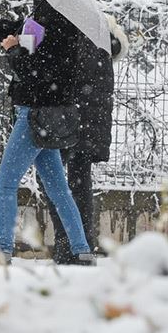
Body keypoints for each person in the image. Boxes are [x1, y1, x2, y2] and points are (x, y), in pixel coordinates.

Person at [0, 0, 96, 264]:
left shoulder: (61, 32)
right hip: (42, 119)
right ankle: (82, 250)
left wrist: (14, 51)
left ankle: (2, 251)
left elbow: (38, 73)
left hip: (34, 116)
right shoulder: (51, 23)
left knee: (5, 182)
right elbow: (8, 28)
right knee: (59, 189)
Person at [44, 14, 129, 264]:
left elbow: (61, 78)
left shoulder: (70, 30)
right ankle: (83, 245)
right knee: (80, 185)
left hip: (64, 121)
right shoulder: (103, 36)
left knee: (55, 184)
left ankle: (66, 245)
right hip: (89, 126)